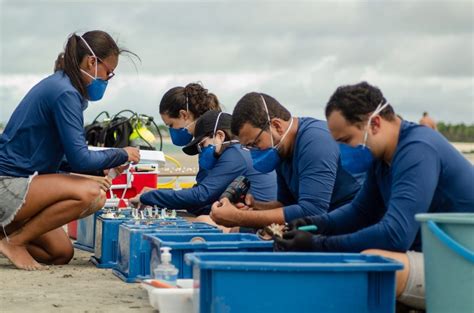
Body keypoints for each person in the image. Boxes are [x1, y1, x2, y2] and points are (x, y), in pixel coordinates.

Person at [274, 82, 474, 310]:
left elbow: (394, 235)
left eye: (346, 141)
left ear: (375, 123)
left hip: (465, 263)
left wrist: (318, 245)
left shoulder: (417, 150)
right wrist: (315, 224)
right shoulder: (382, 159)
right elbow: (360, 212)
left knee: (374, 261)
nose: (342, 151)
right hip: (443, 257)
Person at [0, 30, 140, 270]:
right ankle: (15, 242)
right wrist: (122, 153)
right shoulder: (65, 92)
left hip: (24, 182)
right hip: (8, 183)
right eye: (109, 72)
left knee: (60, 253)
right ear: (92, 61)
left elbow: (62, 158)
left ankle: (5, 239)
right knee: (92, 194)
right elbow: (80, 158)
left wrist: (99, 168)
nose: (107, 80)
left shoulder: (63, 87)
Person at [209, 92, 361, 229]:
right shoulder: (282, 151)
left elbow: (313, 211)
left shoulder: (315, 141)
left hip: (357, 223)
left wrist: (238, 218)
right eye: (248, 147)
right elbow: (287, 205)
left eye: (254, 144)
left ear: (276, 126)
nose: (253, 151)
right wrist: (256, 206)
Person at [131, 111, 276, 215]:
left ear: (219, 135)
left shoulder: (235, 154)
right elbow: (203, 199)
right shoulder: (237, 151)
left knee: (201, 221)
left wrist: (148, 197)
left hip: (260, 222)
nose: (202, 151)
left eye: (202, 145)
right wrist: (158, 193)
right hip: (256, 215)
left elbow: (200, 195)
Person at [159, 83, 221, 183]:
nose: (171, 130)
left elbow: (204, 192)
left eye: (170, 125)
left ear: (183, 114)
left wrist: (153, 195)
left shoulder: (210, 142)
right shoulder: (211, 131)